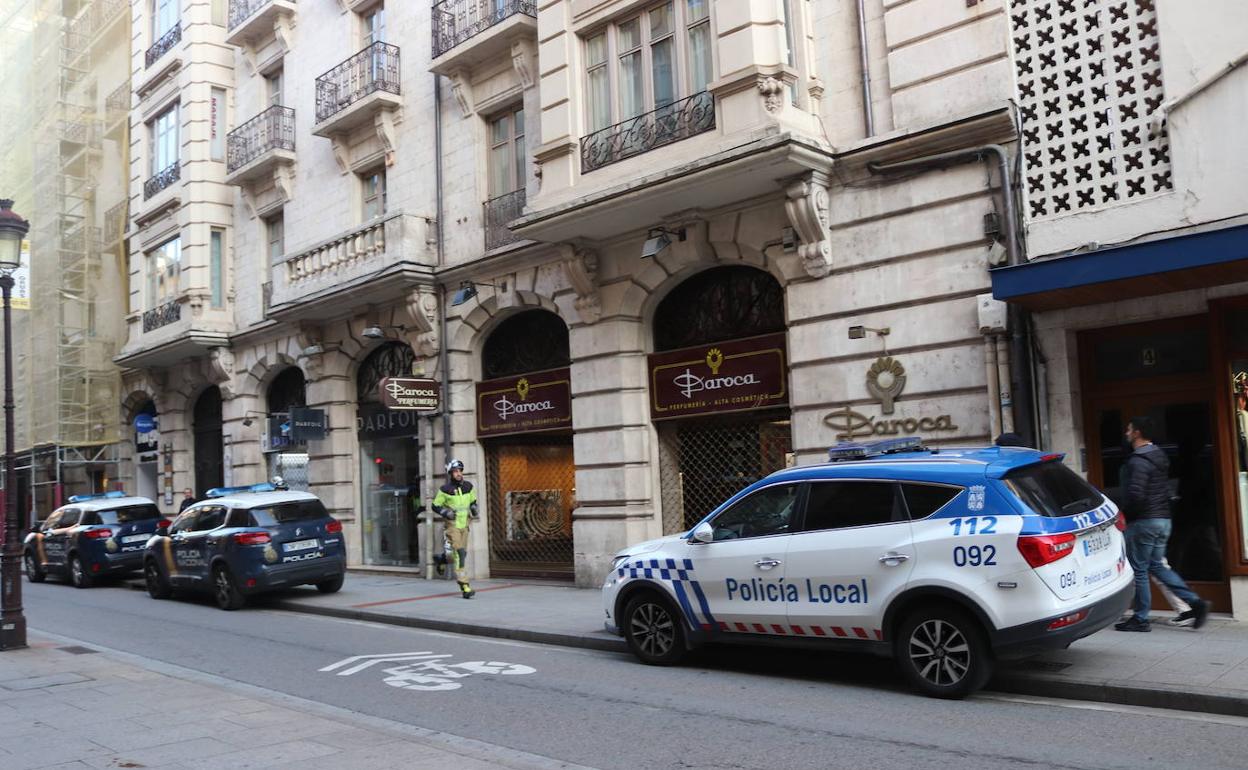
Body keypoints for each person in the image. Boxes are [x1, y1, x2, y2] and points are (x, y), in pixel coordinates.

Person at [1115, 416, 1209, 632]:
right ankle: (1196, 603)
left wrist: (1125, 515)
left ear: (1137, 432)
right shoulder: (1159, 456)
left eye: (1129, 430)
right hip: (1163, 520)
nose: (1127, 434)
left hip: (1144, 522)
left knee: (1139, 569)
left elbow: (1136, 496)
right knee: (1156, 565)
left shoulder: (1138, 461)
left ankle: (1140, 618)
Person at [431, 459, 479, 599]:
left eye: (460, 471)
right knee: (460, 553)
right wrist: (445, 513)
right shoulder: (445, 490)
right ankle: (465, 586)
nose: (458, 474)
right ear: (450, 474)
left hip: (465, 525)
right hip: (452, 525)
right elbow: (435, 505)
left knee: (460, 555)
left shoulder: (468, 486)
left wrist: (474, 508)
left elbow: (472, 501)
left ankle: (441, 560)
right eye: (455, 472)